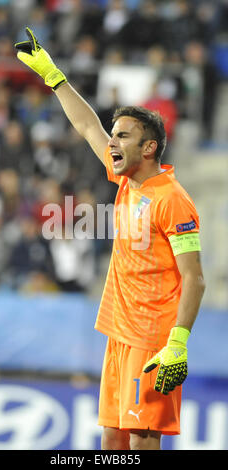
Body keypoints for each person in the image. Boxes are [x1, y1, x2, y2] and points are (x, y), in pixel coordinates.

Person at [15, 28, 206, 451]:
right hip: (119, 333)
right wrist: (54, 77)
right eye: (114, 134)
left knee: (141, 440)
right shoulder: (129, 181)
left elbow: (194, 278)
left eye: (123, 136)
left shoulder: (173, 201)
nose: (112, 141)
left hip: (152, 339)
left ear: (150, 147)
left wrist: (178, 342)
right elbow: (87, 125)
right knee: (112, 440)